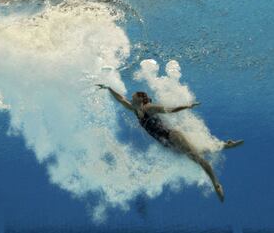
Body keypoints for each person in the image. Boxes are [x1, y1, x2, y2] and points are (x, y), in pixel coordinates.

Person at [96, 84, 244, 202]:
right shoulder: (135, 110)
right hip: (167, 144)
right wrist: (109, 88)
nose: (131, 96)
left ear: (141, 98)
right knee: (196, 153)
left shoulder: (149, 108)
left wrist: (187, 106)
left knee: (197, 158)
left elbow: (170, 110)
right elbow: (121, 99)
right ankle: (225, 145)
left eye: (134, 94)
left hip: (172, 136)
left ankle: (216, 184)